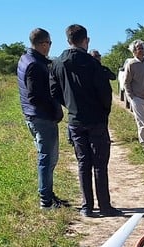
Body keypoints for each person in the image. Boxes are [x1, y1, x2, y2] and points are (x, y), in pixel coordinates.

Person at [50, 24, 121, 217]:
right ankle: (104, 206)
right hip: (96, 119)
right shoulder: (92, 63)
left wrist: (70, 105)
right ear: (86, 40)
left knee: (83, 163)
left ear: (68, 40)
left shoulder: (57, 63)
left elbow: (54, 91)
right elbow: (105, 92)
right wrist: (104, 112)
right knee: (99, 164)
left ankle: (86, 207)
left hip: (76, 120)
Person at [16, 28, 68, 209]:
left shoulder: (25, 59)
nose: (50, 46)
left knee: (47, 157)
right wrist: (54, 110)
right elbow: (35, 96)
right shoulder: (35, 65)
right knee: (48, 159)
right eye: (49, 43)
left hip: (33, 115)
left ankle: (49, 195)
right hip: (42, 118)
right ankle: (46, 201)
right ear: (43, 44)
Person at [122, 39, 144, 152]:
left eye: (142, 48)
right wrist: (131, 96)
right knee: (142, 122)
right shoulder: (131, 64)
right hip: (137, 98)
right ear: (134, 51)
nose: (141, 50)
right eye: (138, 48)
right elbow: (126, 82)